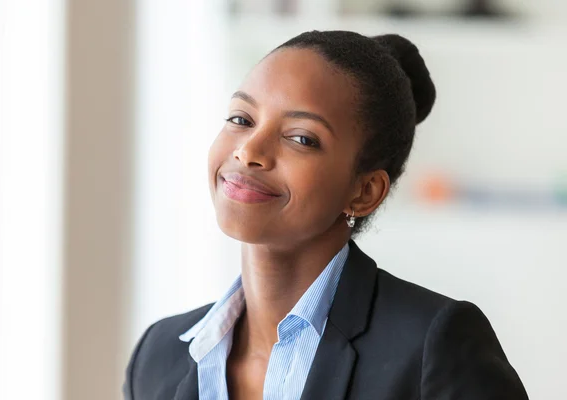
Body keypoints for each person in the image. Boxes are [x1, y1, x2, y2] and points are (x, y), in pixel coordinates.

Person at [123, 30, 528, 399]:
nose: (248, 151)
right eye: (241, 119)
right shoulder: (158, 355)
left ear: (365, 191)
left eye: (302, 138)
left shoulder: (432, 346)